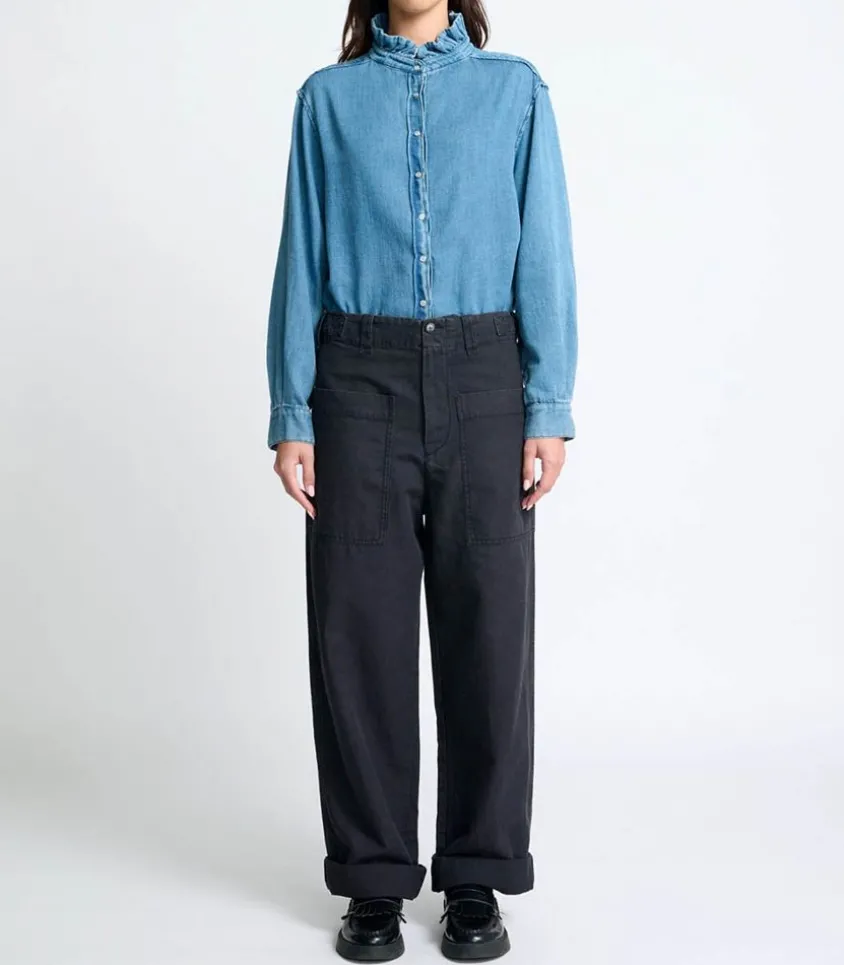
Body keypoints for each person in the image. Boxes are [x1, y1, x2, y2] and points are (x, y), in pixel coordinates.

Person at [266, 0, 577, 959]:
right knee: (357, 630)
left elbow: (544, 245)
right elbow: (302, 252)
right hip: (357, 380)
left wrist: (547, 402)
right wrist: (292, 409)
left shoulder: (515, 92)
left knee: (490, 629)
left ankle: (476, 872)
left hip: (485, 377)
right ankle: (373, 879)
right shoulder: (326, 100)